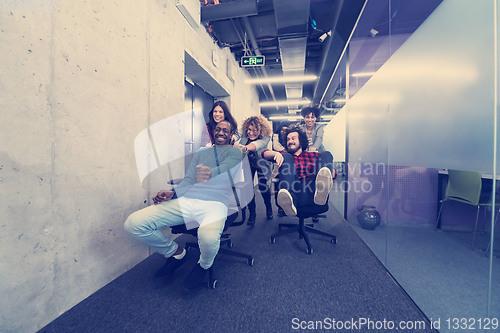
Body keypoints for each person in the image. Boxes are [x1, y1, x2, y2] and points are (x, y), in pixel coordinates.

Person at [124, 120, 243, 291]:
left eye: (226, 130)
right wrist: (174, 192)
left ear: (231, 134)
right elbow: (189, 179)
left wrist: (209, 172)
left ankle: (204, 265)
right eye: (218, 129)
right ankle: (176, 253)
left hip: (215, 203)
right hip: (188, 199)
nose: (221, 132)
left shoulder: (235, 153)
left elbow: (225, 169)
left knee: (208, 238)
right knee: (134, 223)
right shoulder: (202, 153)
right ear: (213, 132)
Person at [261, 125, 335, 217]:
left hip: (313, 193)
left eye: (293, 138)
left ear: (301, 140)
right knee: (286, 157)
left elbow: (330, 174)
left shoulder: (313, 156)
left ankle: (321, 192)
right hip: (294, 193)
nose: (290, 141)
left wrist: (331, 171)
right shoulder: (284, 156)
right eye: (288, 139)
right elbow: (264, 153)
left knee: (326, 154)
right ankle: (288, 202)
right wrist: (276, 154)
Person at [234, 115, 273, 224]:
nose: (251, 133)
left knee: (263, 186)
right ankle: (252, 214)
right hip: (248, 164)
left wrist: (243, 147)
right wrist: (232, 140)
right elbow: (235, 136)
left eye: (255, 130)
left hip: (261, 163)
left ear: (261, 130)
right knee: (248, 188)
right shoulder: (245, 135)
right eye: (249, 130)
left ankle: (269, 208)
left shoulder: (266, 137)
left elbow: (256, 144)